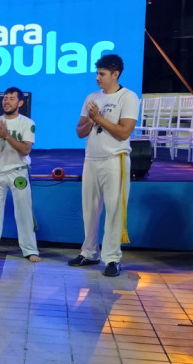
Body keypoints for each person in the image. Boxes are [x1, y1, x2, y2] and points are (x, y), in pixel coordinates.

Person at [69, 54, 139, 277]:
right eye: (97, 73)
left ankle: (112, 258)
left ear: (115, 74)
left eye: (102, 74)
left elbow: (124, 132)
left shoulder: (128, 97)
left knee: (114, 210)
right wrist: (91, 120)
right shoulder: (92, 97)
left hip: (115, 159)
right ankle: (89, 252)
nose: (97, 77)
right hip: (91, 159)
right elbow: (80, 131)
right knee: (89, 209)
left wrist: (98, 118)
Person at [0, 87, 41, 262]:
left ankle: (30, 250)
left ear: (20, 103)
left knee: (23, 212)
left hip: (18, 172)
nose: (7, 101)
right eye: (5, 98)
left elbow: (26, 149)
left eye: (11, 98)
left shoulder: (27, 123)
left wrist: (8, 136)